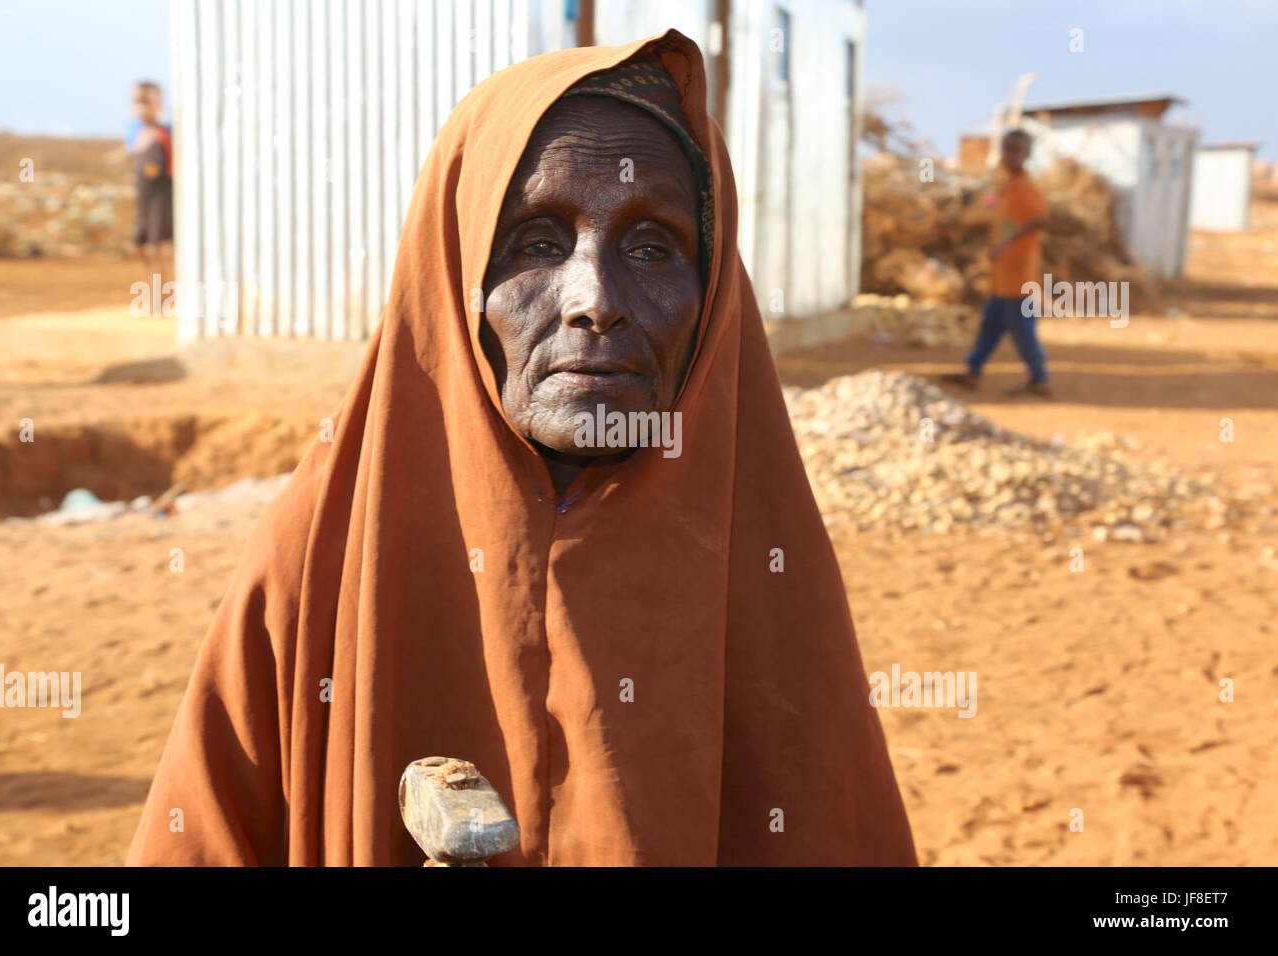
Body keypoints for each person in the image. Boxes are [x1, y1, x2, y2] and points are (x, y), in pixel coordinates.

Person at [126, 31, 917, 867]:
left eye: (652, 247)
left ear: (714, 289)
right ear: (453, 270)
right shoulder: (316, 561)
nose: (595, 300)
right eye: (537, 243)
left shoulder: (764, 573)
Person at [943, 129, 1051, 396]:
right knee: (990, 326)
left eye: (1015, 150)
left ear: (1026, 155)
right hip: (1002, 274)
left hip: (1020, 276)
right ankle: (972, 371)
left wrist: (1006, 243)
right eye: (1005, 149)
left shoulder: (1026, 187)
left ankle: (1040, 378)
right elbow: (1007, 223)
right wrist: (998, 246)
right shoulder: (1007, 188)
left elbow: (1039, 218)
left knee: (1023, 330)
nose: (1008, 156)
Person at [128, 81, 174, 292]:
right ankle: (159, 290)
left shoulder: (166, 133)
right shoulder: (136, 133)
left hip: (161, 197)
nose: (141, 106)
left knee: (157, 248)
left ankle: (162, 295)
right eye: (137, 101)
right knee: (138, 246)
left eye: (146, 101)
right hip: (144, 198)